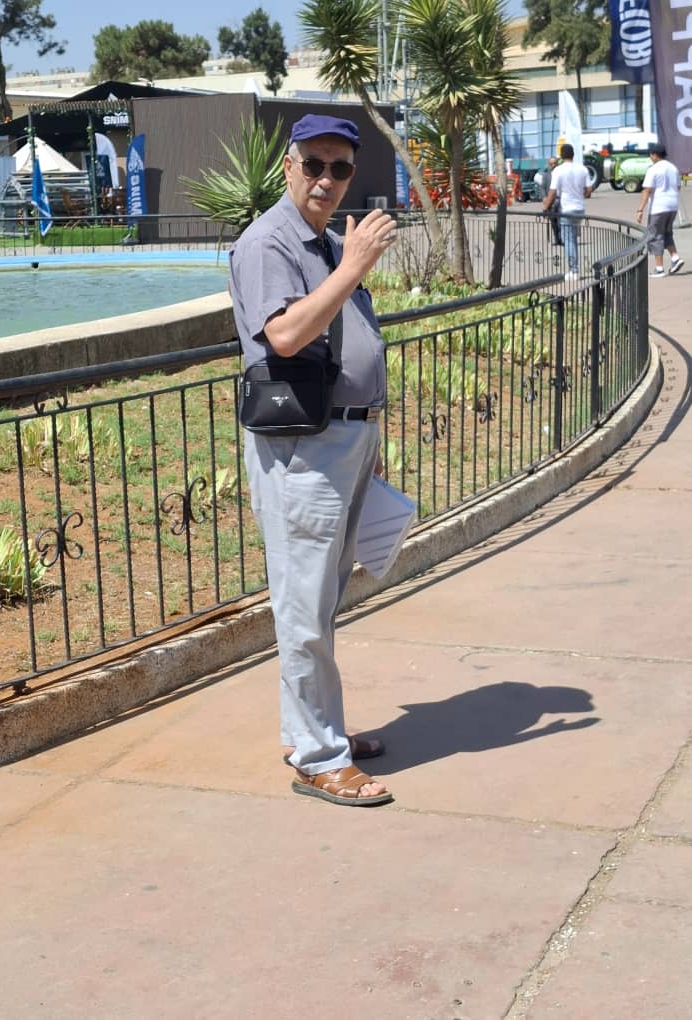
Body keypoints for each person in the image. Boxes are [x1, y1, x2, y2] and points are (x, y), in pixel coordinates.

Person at [228, 114, 396, 808]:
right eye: (314, 165)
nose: (327, 179)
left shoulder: (324, 240)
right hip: (303, 447)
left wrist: (371, 432)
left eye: (340, 168)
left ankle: (315, 729)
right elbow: (287, 335)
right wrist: (354, 267)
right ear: (289, 167)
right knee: (302, 605)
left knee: (320, 600)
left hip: (344, 438)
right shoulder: (268, 242)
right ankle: (317, 756)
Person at [542, 143, 592, 281]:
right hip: (579, 208)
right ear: (573, 154)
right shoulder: (582, 169)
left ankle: (574, 270)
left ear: (561, 156)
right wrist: (581, 195)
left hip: (567, 208)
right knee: (573, 238)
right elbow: (589, 190)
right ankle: (574, 268)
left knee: (568, 240)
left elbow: (552, 192)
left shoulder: (558, 170)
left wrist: (545, 207)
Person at [636, 143, 685, 278]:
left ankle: (659, 269)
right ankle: (675, 258)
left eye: (650, 155)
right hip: (673, 206)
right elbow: (678, 187)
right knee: (667, 233)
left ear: (654, 155)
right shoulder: (673, 168)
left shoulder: (653, 169)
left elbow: (647, 190)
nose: (650, 157)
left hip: (658, 207)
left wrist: (640, 210)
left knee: (655, 236)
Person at [537, 156, 562, 244]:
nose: (553, 165)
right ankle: (557, 239)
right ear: (548, 164)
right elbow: (542, 187)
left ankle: (562, 238)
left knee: (560, 221)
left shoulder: (560, 174)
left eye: (555, 163)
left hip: (559, 201)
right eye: (551, 164)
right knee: (553, 222)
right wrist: (544, 197)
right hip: (550, 202)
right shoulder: (546, 175)